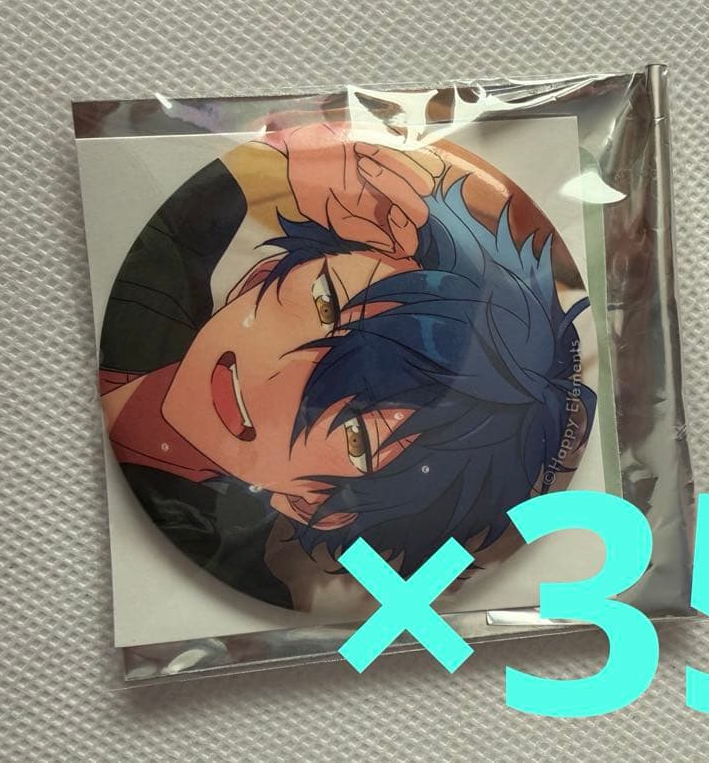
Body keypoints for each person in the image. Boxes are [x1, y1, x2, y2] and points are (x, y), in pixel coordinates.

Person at [98, 123, 595, 609]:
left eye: (356, 436)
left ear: (315, 506)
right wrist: (303, 148)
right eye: (326, 301)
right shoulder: (163, 242)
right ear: (260, 274)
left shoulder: (207, 574)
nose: (273, 377)